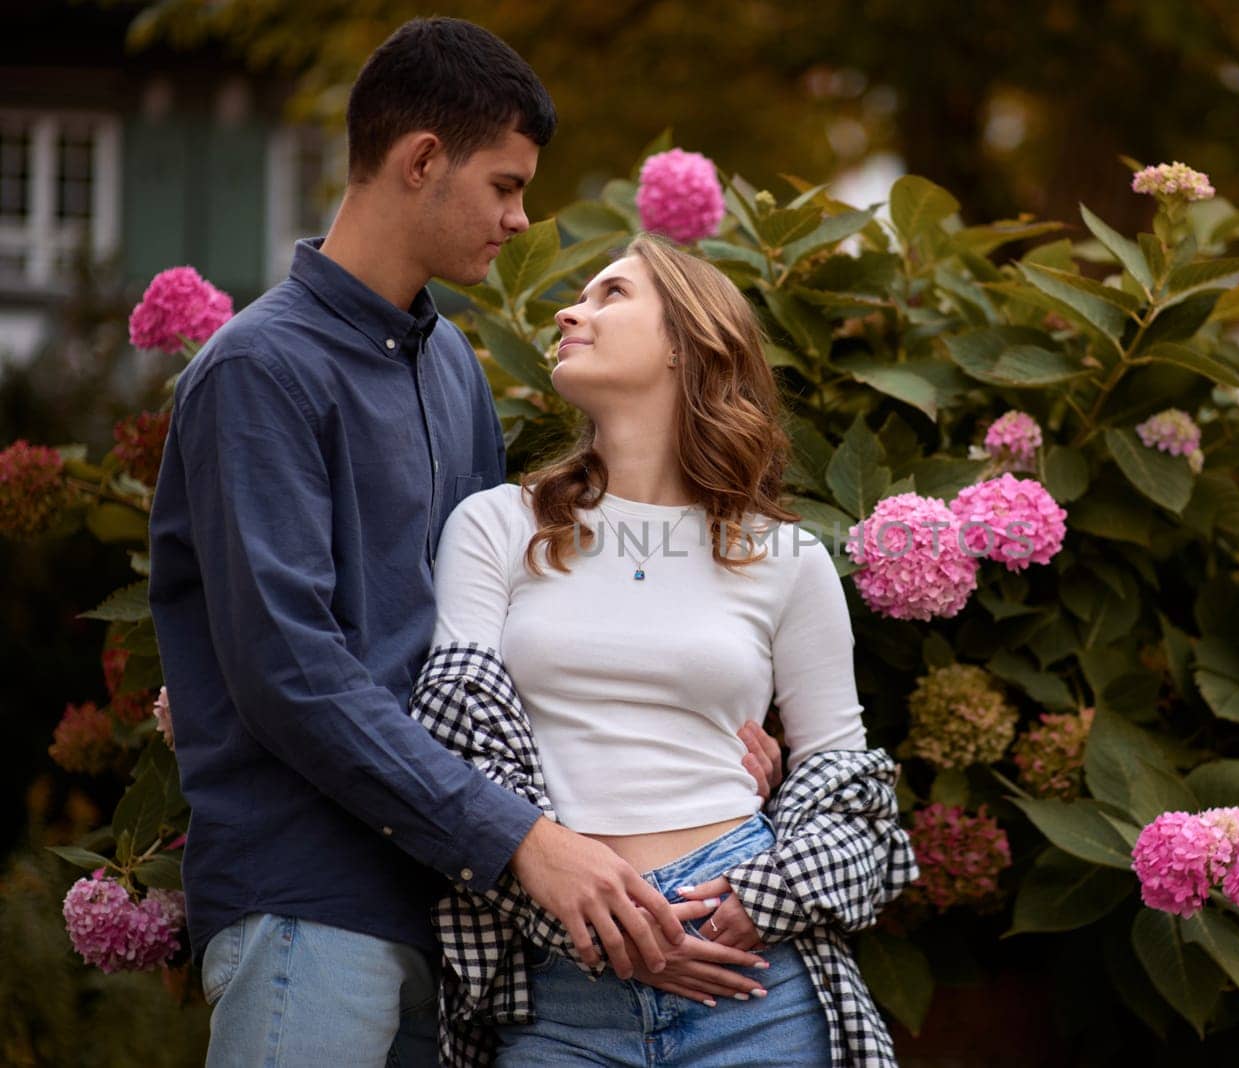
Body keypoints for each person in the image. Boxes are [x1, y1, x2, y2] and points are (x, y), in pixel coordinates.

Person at [148, 19, 776, 1067]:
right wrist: (522, 841)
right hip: (309, 903)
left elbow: (505, 640)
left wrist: (697, 733)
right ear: (421, 160)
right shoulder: (257, 372)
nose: (521, 218)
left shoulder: (452, 375)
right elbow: (290, 672)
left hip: (454, 922)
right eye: (504, 185)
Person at [412, 234, 917, 1067]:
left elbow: (849, 793)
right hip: (560, 985)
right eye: (579, 296)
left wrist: (769, 896)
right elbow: (457, 749)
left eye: (612, 293)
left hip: (750, 968)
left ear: (687, 342)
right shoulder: (497, 524)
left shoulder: (787, 559)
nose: (572, 310)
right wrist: (588, 918)